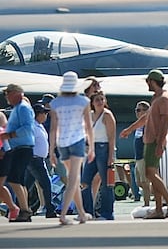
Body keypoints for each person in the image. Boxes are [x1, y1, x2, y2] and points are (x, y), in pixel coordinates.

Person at [48, 71, 95, 225]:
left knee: (73, 177)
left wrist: (51, 151)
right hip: (77, 141)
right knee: (74, 179)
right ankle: (62, 214)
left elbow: (53, 129)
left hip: (62, 143)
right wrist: (92, 147)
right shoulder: (83, 102)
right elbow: (88, 127)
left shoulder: (55, 103)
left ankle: (81, 213)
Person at [141, 69, 168, 219]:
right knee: (154, 175)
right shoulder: (156, 98)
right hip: (150, 140)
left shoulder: (163, 99)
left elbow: (165, 122)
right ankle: (159, 209)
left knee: (150, 173)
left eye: (148, 81)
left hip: (155, 141)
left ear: (153, 81)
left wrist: (160, 143)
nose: (147, 84)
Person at [0, 83, 36, 222]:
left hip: (23, 148)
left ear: (17, 93)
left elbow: (27, 128)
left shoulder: (23, 108)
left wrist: (9, 135)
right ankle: (25, 210)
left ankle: (25, 210)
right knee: (18, 180)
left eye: (8, 93)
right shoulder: (17, 108)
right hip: (18, 148)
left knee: (14, 179)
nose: (6, 96)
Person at [80, 92, 117, 220]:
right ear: (92, 102)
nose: (100, 102)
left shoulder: (107, 115)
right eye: (97, 99)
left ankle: (107, 213)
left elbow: (112, 138)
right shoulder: (90, 115)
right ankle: (88, 212)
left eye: (102, 99)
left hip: (104, 148)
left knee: (107, 183)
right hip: (92, 149)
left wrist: (110, 157)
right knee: (84, 181)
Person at [24, 102, 57, 218]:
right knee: (46, 184)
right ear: (37, 114)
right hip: (35, 160)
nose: (46, 115)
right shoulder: (33, 126)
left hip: (38, 159)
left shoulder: (39, 126)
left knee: (26, 186)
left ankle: (18, 208)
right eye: (44, 113)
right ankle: (50, 209)